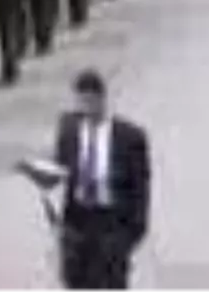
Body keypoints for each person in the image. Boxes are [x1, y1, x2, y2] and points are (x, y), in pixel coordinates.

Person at [52, 69, 151, 292]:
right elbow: (60, 174)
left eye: (90, 101)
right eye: (81, 102)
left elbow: (141, 187)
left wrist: (133, 232)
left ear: (101, 99)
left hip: (111, 224)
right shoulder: (68, 131)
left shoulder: (130, 137)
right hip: (77, 225)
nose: (85, 108)